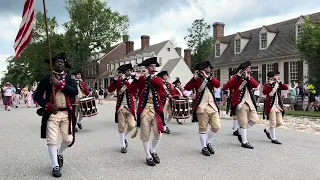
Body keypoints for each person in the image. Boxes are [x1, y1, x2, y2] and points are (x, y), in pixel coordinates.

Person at [34, 52, 78, 177]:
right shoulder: (46, 79)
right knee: (52, 140)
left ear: (64, 65)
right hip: (52, 114)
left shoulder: (70, 78)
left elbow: (74, 92)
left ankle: (59, 154)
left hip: (66, 113)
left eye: (62, 62)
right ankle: (55, 166)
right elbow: (37, 95)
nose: (60, 63)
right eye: (57, 61)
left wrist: (59, 84)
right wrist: (47, 106)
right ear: (52, 64)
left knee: (68, 140)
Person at [132, 57, 166, 166]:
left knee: (158, 133)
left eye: (154, 66)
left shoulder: (157, 78)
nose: (153, 67)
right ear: (147, 67)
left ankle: (153, 150)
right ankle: (148, 155)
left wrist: (147, 76)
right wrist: (134, 79)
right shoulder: (142, 79)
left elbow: (159, 85)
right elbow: (132, 90)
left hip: (155, 109)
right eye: (151, 66)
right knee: (145, 133)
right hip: (144, 109)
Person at [184, 61, 221, 156]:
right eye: (208, 67)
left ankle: (208, 142)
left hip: (212, 106)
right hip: (202, 106)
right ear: (202, 69)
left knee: (216, 127)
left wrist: (208, 77)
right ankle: (204, 147)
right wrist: (193, 78)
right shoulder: (197, 79)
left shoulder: (210, 78)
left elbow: (217, 84)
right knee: (203, 128)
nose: (210, 69)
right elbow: (187, 88)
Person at [223, 61, 259, 149]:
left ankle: (239, 131)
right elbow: (227, 86)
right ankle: (244, 141)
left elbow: (256, 85)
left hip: (249, 102)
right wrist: (237, 77)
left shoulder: (249, 77)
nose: (250, 69)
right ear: (244, 69)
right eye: (248, 68)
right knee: (243, 122)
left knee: (255, 119)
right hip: (240, 103)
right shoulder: (236, 77)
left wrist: (248, 78)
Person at [107, 63, 136, 153]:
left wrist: (125, 81)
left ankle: (124, 138)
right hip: (120, 107)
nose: (130, 72)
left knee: (132, 125)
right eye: (128, 70)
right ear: (124, 72)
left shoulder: (133, 80)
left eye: (131, 70)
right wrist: (115, 81)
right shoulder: (119, 81)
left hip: (130, 106)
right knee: (121, 126)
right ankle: (123, 145)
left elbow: (132, 90)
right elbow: (110, 90)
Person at [262, 71, 288, 145]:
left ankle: (267, 130)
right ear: (272, 77)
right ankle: (273, 138)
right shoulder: (267, 84)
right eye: (277, 76)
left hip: (278, 106)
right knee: (273, 123)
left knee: (279, 122)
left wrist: (279, 82)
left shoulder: (278, 84)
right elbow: (264, 92)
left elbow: (286, 88)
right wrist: (270, 84)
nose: (278, 77)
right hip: (271, 106)